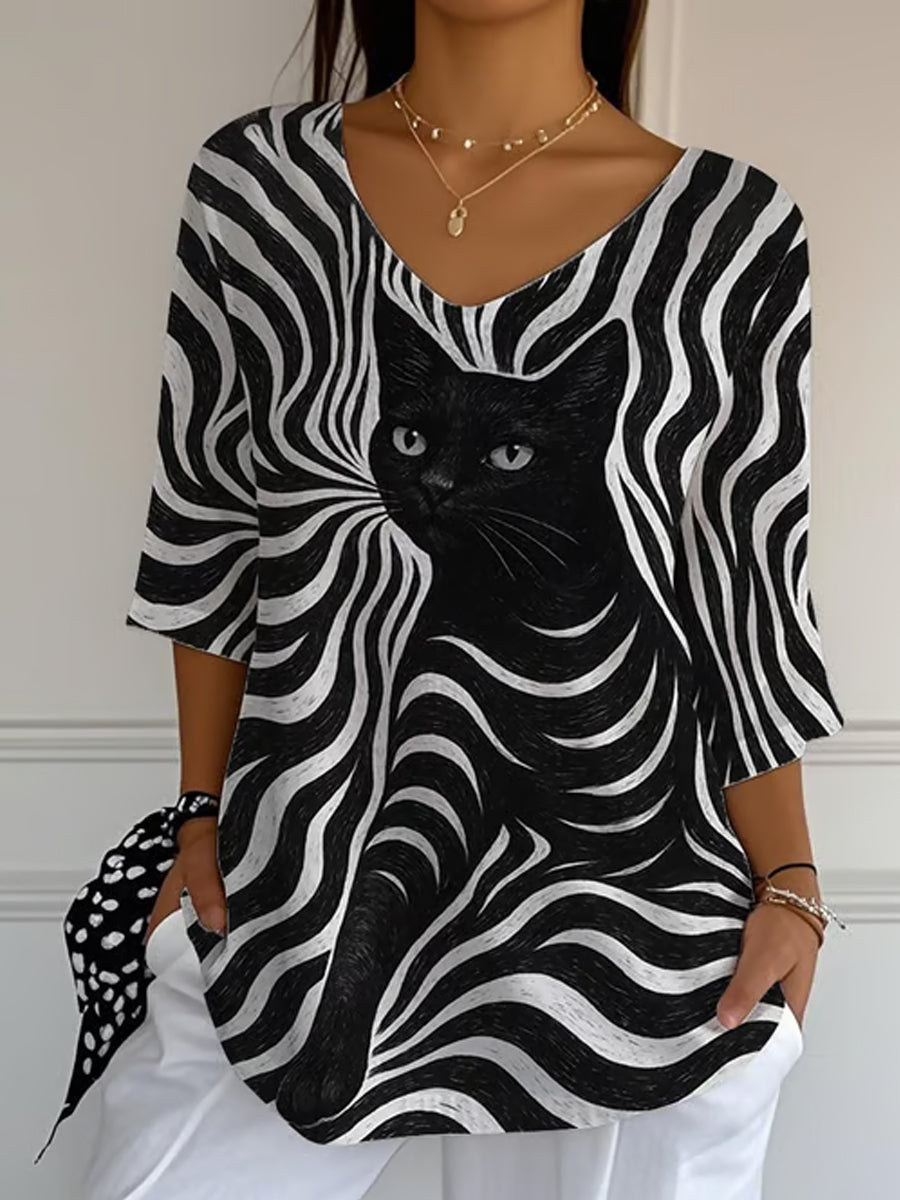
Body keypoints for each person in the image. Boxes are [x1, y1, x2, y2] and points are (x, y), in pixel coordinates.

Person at [39, 2, 847, 1197]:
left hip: (638, 937)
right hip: (295, 897)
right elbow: (208, 531)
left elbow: (747, 585)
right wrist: (201, 812)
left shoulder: (730, 234)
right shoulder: (258, 191)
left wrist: (791, 881)